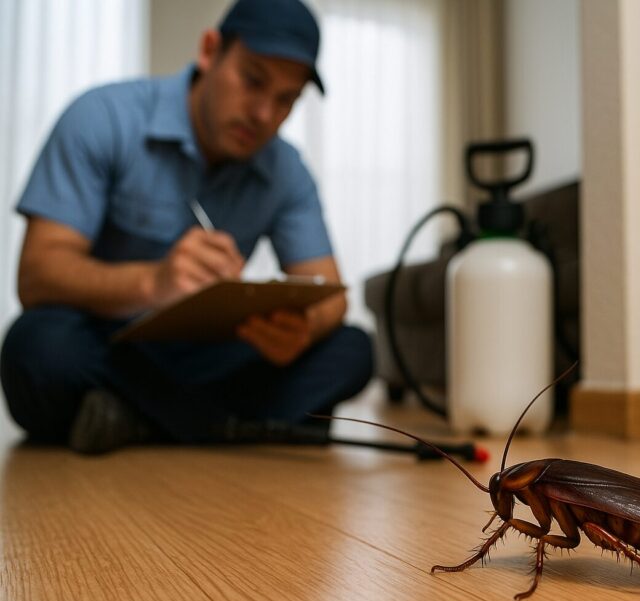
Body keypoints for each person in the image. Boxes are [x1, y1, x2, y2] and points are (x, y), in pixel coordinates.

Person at [0, 0, 373, 454]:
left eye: (285, 99)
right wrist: (151, 282)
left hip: (206, 355)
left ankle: (134, 420)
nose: (263, 114)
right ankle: (243, 424)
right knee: (37, 348)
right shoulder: (102, 116)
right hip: (109, 344)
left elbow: (330, 295)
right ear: (209, 50)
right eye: (253, 81)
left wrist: (301, 330)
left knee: (354, 349)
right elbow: (38, 273)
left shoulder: (286, 169)